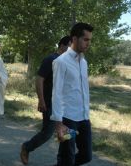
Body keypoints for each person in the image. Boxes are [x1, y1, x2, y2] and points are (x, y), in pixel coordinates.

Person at [20, 36, 71, 165]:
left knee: (67, 133)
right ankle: (27, 147)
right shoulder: (51, 59)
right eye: (70, 46)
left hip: (64, 104)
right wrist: (41, 100)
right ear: (62, 46)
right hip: (50, 102)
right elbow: (39, 79)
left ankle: (63, 161)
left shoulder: (67, 62)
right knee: (47, 133)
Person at [51, 23, 93, 166]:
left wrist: (87, 113)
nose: (88, 43)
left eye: (90, 40)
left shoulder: (83, 62)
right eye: (85, 39)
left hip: (83, 118)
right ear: (74, 39)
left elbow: (83, 90)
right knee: (67, 157)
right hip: (68, 119)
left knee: (87, 156)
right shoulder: (61, 62)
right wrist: (58, 123)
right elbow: (56, 92)